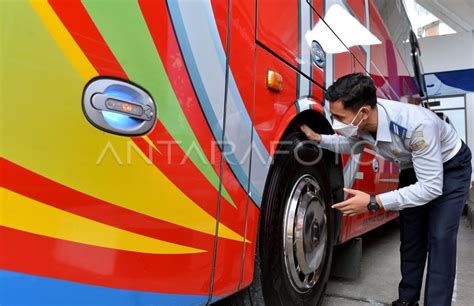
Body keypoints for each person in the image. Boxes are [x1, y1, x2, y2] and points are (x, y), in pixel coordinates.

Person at [299, 73, 471, 306]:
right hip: (412, 165)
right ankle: (407, 300)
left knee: (440, 237)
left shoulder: (417, 127)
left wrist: (374, 201)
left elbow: (430, 187)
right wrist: (318, 138)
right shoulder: (362, 124)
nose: (335, 122)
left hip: (451, 167)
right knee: (411, 237)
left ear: (364, 113)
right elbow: (350, 144)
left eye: (339, 116)